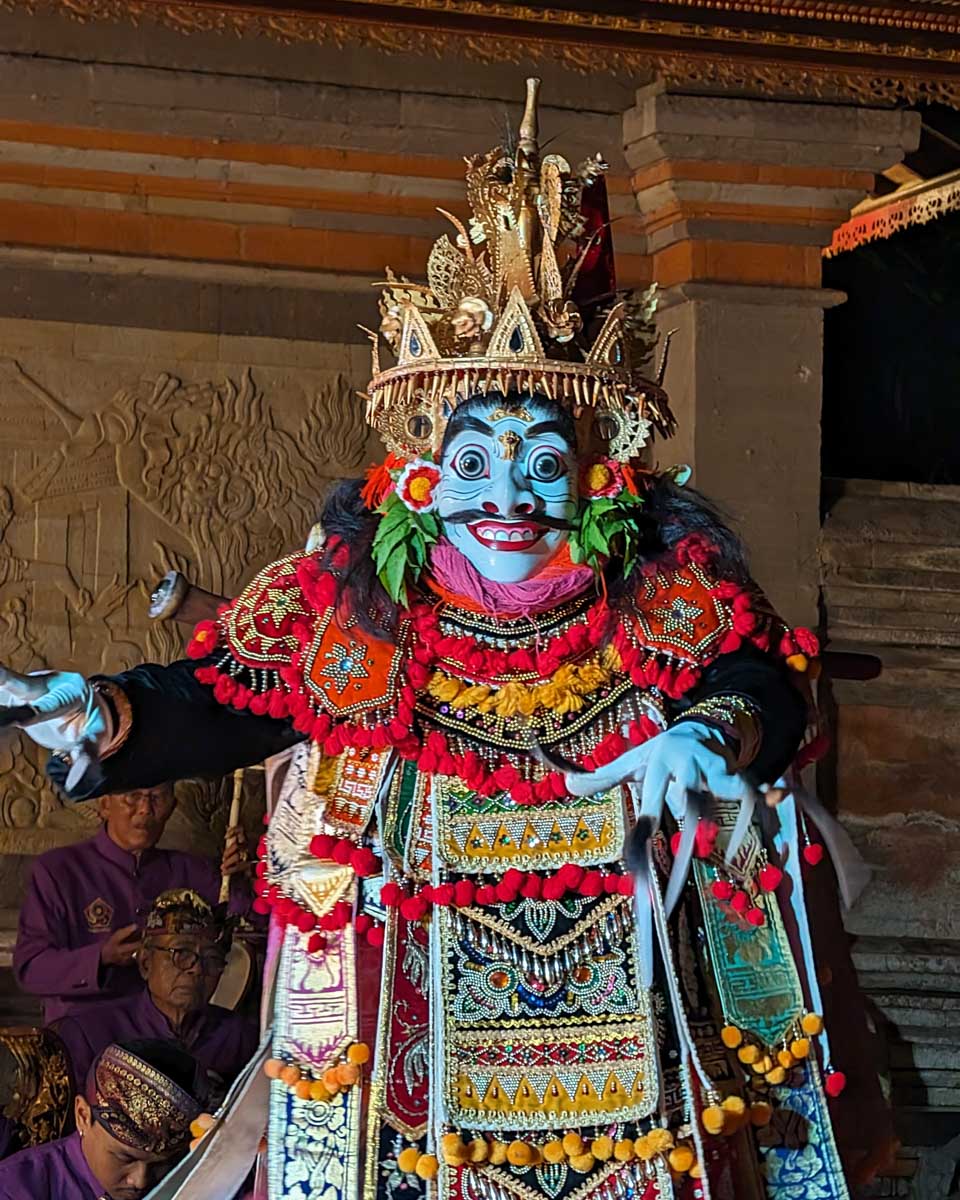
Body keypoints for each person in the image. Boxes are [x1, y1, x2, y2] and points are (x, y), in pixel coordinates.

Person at [0, 79, 877, 1200]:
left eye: (543, 463)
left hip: (636, 1069)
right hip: (416, 1072)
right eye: (474, 463)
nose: (506, 492)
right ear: (421, 471)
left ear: (600, 473)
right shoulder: (364, 607)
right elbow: (225, 691)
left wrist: (711, 733)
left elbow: (757, 675)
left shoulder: (657, 590)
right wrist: (103, 711)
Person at [13, 783, 251, 1023]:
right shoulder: (60, 870)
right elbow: (32, 969)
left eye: (157, 797)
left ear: (172, 807)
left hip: (173, 1032)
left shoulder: (192, 871)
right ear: (105, 804)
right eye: (133, 796)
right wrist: (101, 957)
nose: (146, 809)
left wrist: (240, 880)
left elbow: (246, 931)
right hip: (87, 1030)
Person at [53, 888, 257, 1103]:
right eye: (182, 953)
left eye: (212, 959)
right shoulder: (88, 1033)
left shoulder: (240, 1036)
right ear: (145, 964)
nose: (196, 969)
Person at [0, 1038, 203, 1199]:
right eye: (126, 1158)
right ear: (82, 1116)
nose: (140, 1181)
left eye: (161, 1164)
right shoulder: (14, 1189)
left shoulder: (194, 1178)